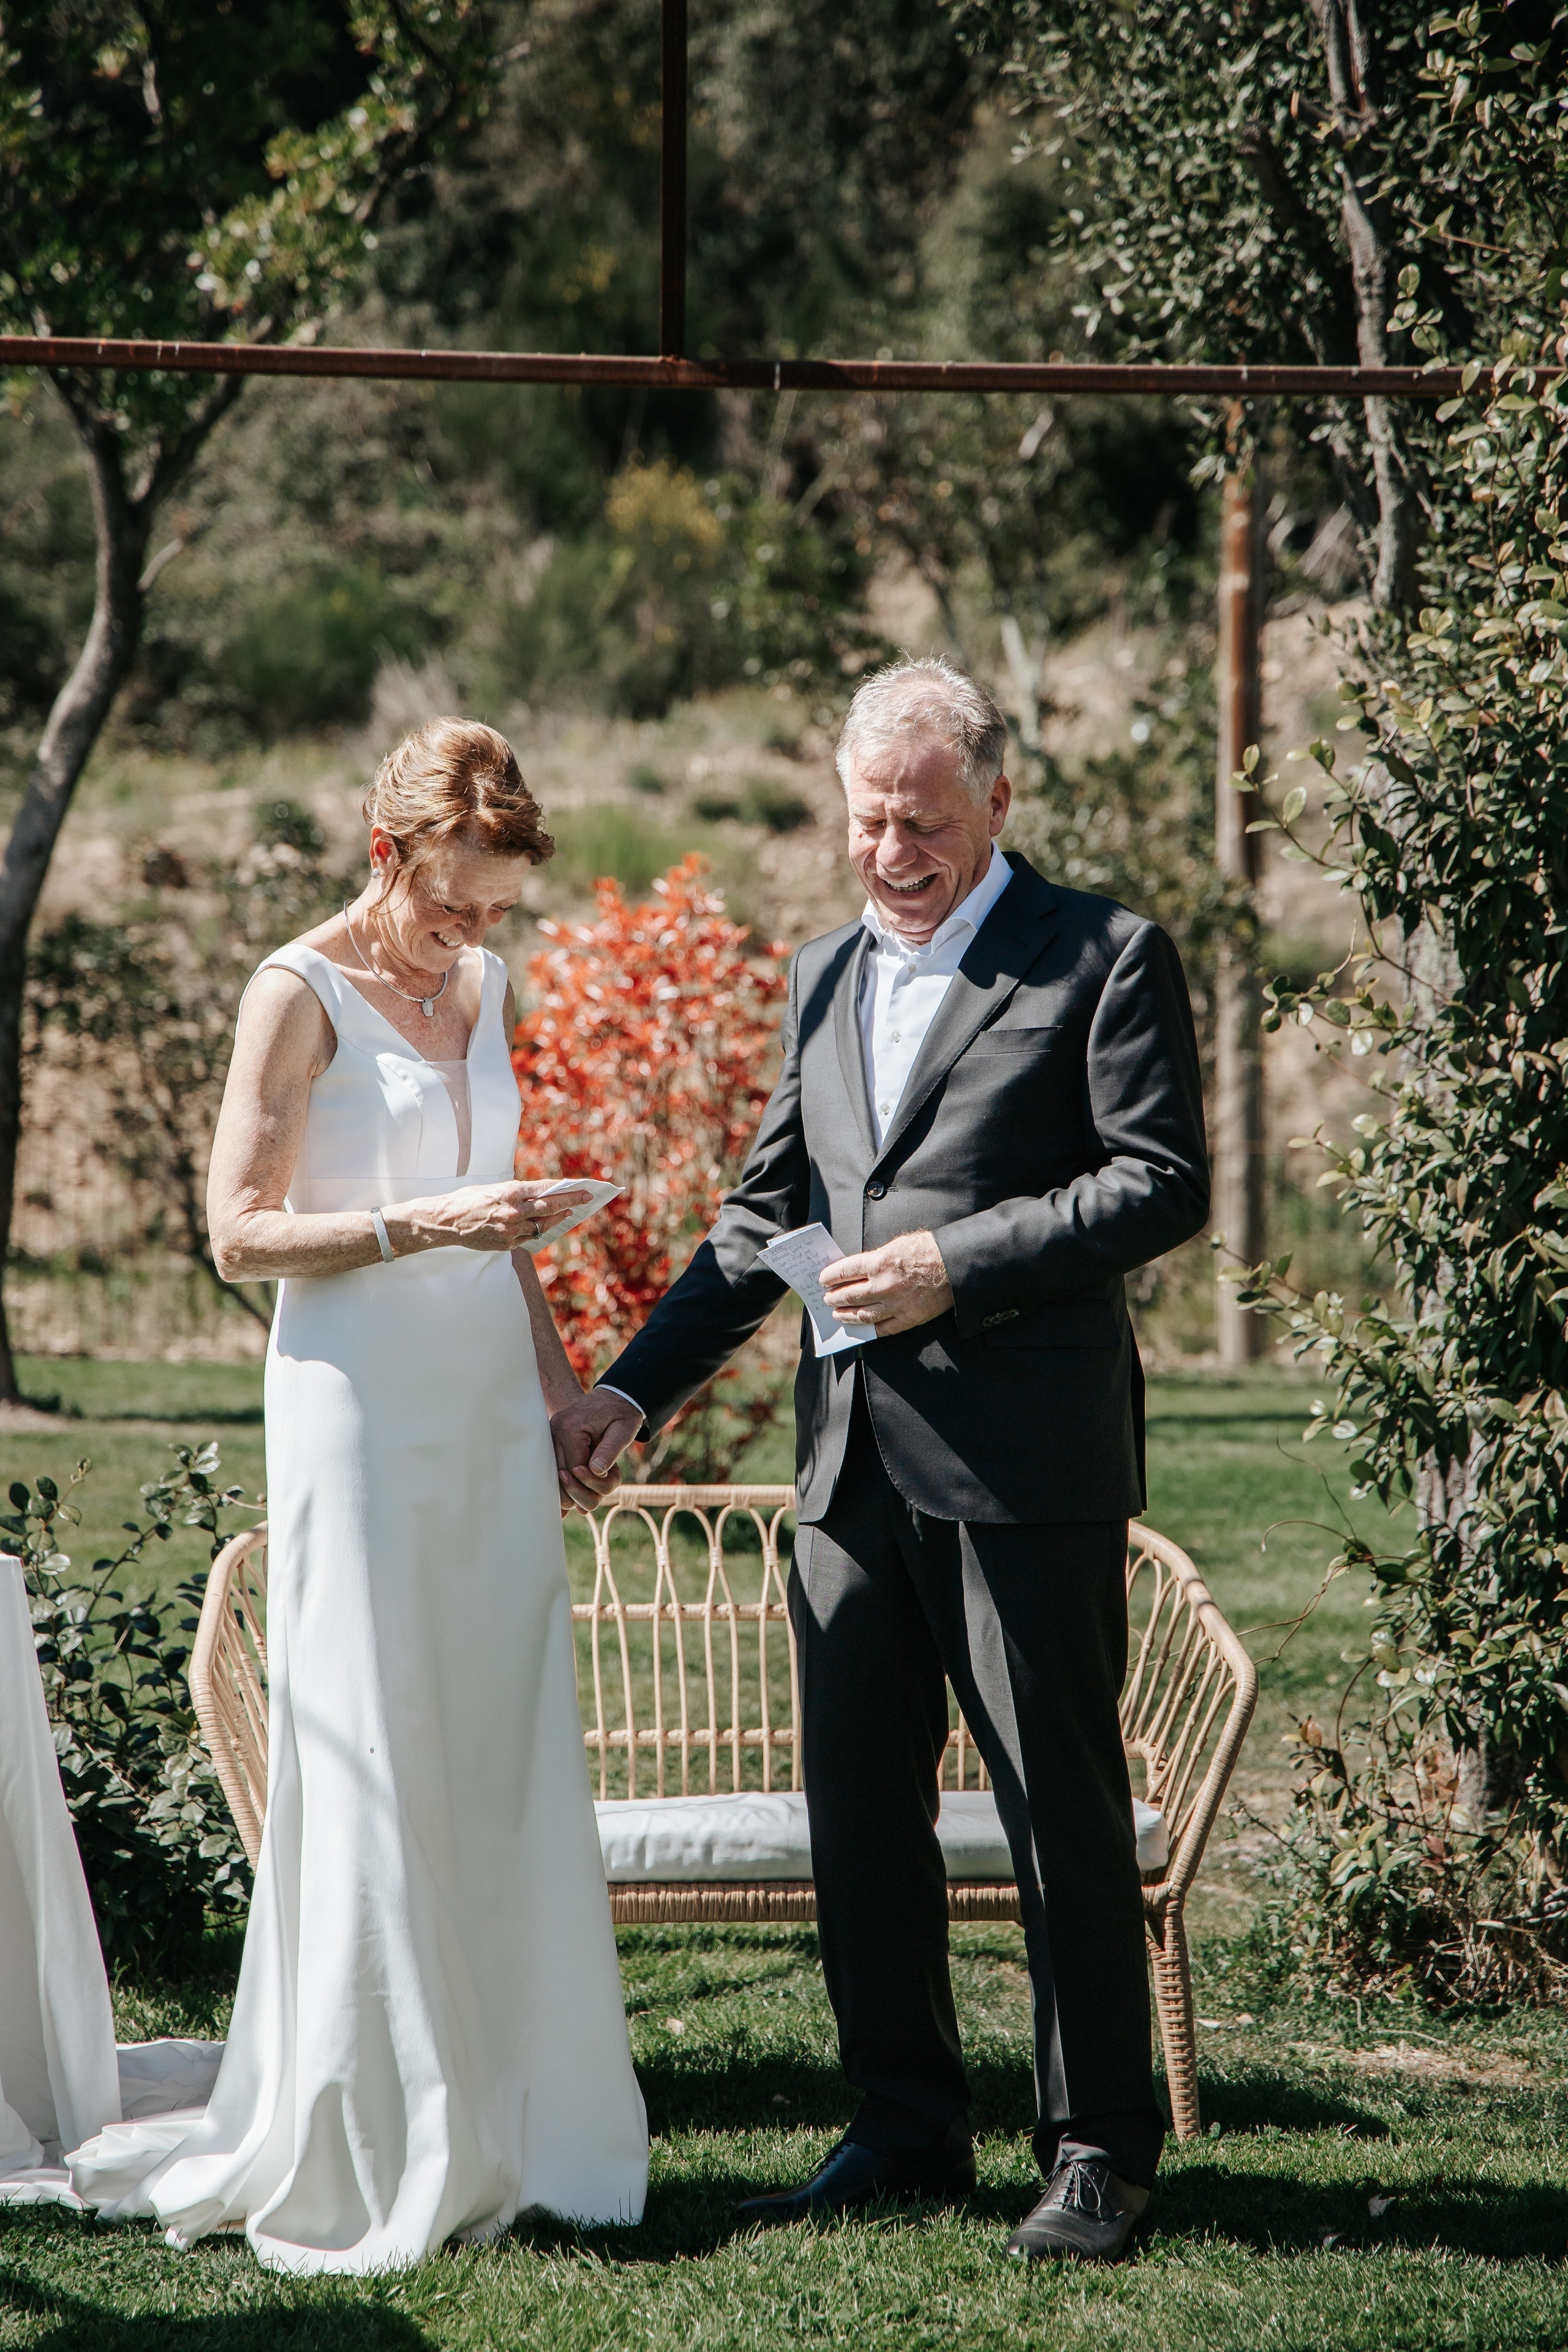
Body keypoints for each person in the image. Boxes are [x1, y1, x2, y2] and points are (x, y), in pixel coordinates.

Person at [552, 657, 1209, 2264]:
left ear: (1000, 798)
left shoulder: (1107, 956)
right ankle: (906, 2127)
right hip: (845, 1465)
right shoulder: (822, 975)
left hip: (1024, 1462)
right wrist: (633, 1394)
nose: (890, 848)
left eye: (921, 818)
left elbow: (1161, 1181)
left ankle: (1099, 2150)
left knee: (1059, 1803)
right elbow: (762, 1215)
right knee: (859, 1812)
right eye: (865, 819)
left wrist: (954, 1265)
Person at [67, 719, 648, 2271]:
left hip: (478, 1413)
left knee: (495, 1734)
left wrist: (560, 1394)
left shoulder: (486, 982)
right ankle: (377, 2128)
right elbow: (239, 1235)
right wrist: (410, 1225)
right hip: (356, 1415)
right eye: (452, 905)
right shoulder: (298, 989)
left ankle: (526, 2120)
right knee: (378, 1744)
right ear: (386, 856)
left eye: (496, 911)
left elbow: (502, 1237)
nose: (473, 936)